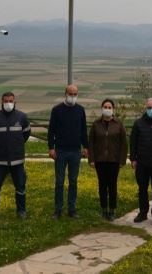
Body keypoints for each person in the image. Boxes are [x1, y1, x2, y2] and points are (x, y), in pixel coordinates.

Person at [0, 91, 31, 221]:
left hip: (17, 160)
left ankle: (21, 211)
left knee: (20, 187)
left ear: (15, 102)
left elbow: (26, 135)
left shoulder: (22, 117)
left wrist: (16, 146)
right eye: (5, 101)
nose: (8, 103)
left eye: (10, 101)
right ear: (1, 102)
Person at [48, 84, 89, 219]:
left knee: (73, 181)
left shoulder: (80, 110)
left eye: (75, 94)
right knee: (59, 181)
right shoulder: (57, 110)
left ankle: (72, 209)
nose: (72, 96)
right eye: (70, 93)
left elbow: (83, 130)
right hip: (60, 150)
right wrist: (51, 148)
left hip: (75, 151)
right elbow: (51, 131)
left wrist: (86, 147)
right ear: (65, 93)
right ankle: (58, 209)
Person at [88, 98, 128, 220]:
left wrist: (122, 160)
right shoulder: (96, 124)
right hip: (100, 160)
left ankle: (112, 210)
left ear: (113, 109)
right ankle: (103, 209)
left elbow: (124, 144)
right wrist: (91, 159)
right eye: (105, 107)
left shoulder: (119, 124)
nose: (107, 109)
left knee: (112, 185)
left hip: (114, 160)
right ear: (102, 108)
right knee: (102, 185)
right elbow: (91, 143)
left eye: (109, 107)